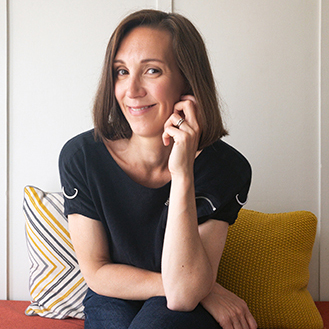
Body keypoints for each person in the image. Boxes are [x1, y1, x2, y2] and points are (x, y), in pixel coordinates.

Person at [59, 9, 257, 329]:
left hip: (184, 308)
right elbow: (96, 271)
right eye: (121, 71)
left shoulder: (226, 169)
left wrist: (182, 175)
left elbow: (180, 299)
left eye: (152, 70)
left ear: (187, 81)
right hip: (113, 293)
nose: (132, 90)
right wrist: (207, 290)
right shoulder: (83, 157)